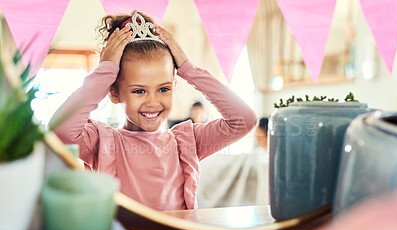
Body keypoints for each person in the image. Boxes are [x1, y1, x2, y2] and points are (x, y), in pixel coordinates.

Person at [49, 11, 257, 211]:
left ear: (174, 86)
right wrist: (106, 70)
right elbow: (61, 129)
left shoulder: (186, 142)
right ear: (114, 93)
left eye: (163, 89)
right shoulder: (102, 142)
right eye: (139, 91)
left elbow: (244, 120)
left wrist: (189, 69)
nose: (153, 101)